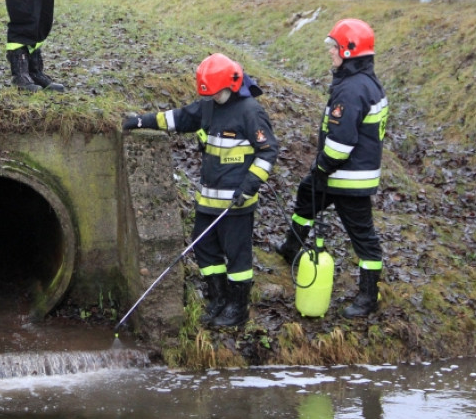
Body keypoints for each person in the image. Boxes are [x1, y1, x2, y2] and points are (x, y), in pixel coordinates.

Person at [123, 53, 279, 328]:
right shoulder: (208, 105)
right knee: (204, 247)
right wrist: (140, 121)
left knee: (237, 256)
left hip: (236, 203)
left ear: (230, 85)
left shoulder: (250, 112)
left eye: (216, 93)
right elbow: (178, 118)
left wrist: (249, 186)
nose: (212, 98)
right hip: (208, 200)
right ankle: (217, 297)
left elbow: (267, 153)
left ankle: (237, 307)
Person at [276, 18, 388, 317]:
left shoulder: (351, 90)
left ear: (349, 51)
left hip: (346, 177)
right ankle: (290, 248)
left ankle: (368, 296)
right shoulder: (364, 82)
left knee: (363, 238)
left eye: (334, 48)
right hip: (344, 173)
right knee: (306, 196)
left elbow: (341, 142)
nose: (330, 53)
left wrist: (322, 167)